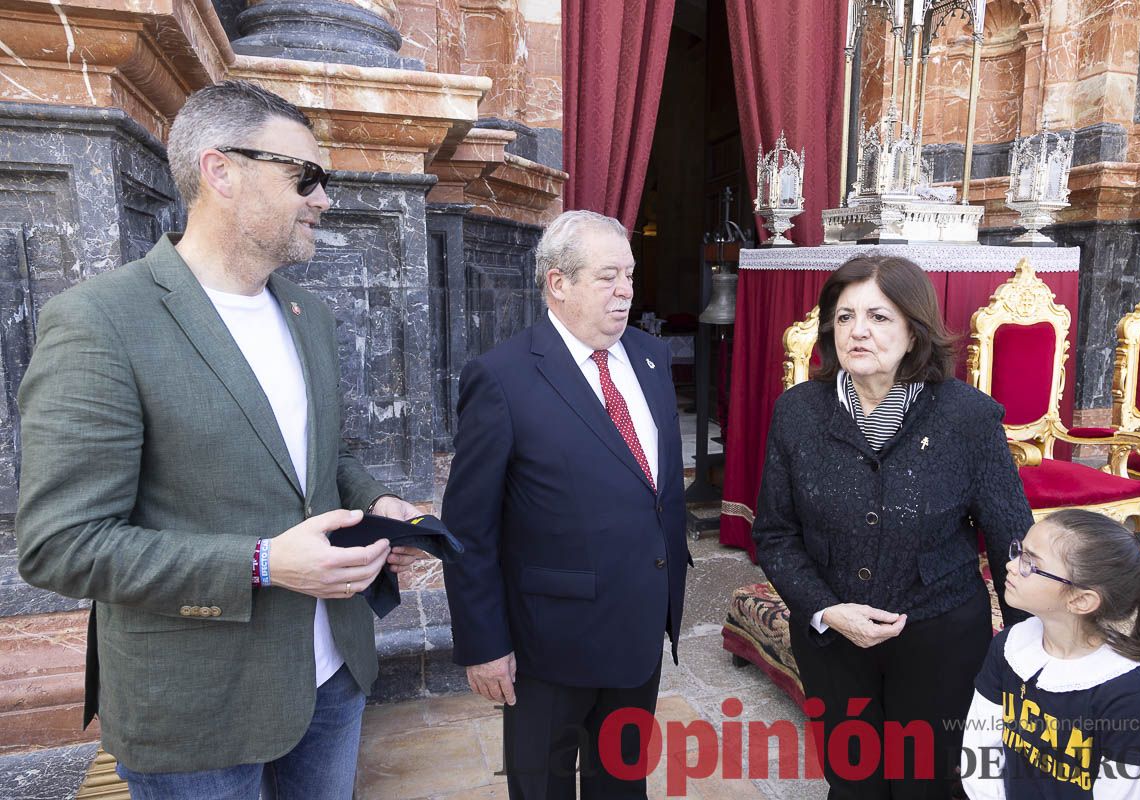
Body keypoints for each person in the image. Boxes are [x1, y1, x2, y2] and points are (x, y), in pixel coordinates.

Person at [15, 80, 424, 799]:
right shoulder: (100, 321)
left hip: (335, 675)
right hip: (197, 711)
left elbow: (322, 456)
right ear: (221, 170)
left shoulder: (308, 314)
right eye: (306, 176)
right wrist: (263, 563)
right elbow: (59, 545)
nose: (323, 198)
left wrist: (378, 499)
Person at [752, 254, 1033, 799]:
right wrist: (826, 609)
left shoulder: (966, 417)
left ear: (914, 329)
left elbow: (1010, 540)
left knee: (925, 785)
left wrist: (1028, 653)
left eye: (879, 317)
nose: (858, 331)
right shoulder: (798, 412)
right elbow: (775, 535)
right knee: (853, 784)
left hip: (940, 638)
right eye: (843, 316)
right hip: (833, 640)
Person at [437, 209, 689, 800]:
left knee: (622, 785)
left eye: (629, 274)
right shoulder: (501, 379)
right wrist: (484, 644)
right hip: (548, 645)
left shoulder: (651, 361)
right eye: (607, 277)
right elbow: (469, 529)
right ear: (558, 283)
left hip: (638, 628)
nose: (625, 291)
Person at [961, 510, 1140, 799]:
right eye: (1019, 551)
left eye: (1030, 562)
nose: (1010, 565)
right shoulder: (1010, 646)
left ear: (1081, 599)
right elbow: (980, 748)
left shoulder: (1128, 697)